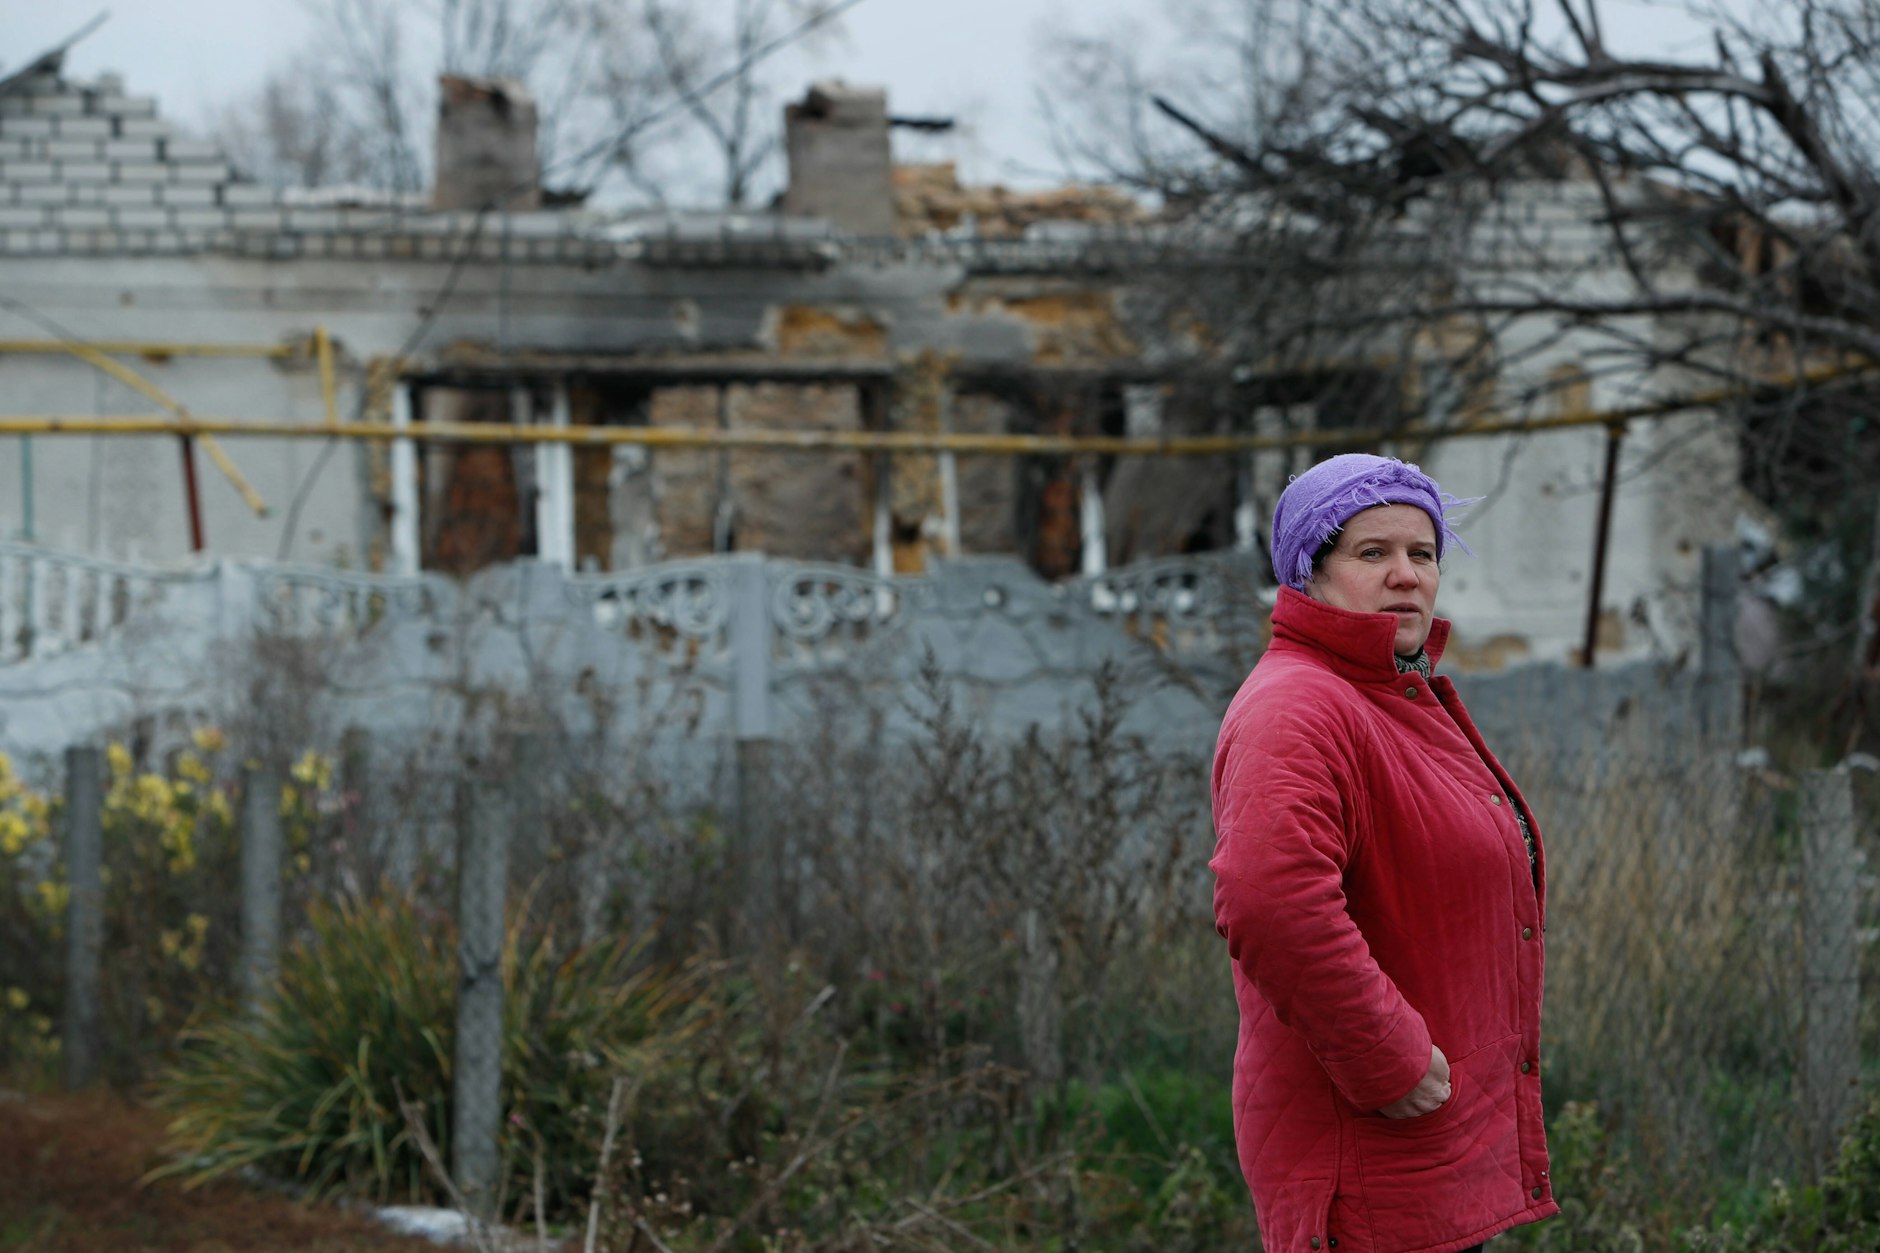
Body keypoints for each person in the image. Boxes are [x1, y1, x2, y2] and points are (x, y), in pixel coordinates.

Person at [1209, 454, 1555, 1253]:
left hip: (1431, 1145)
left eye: (1422, 553)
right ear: (1309, 571)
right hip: (1369, 1145)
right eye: (1373, 553)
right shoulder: (1299, 707)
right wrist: (1387, 1059)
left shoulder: (1390, 697)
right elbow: (1268, 899)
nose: (1406, 575)